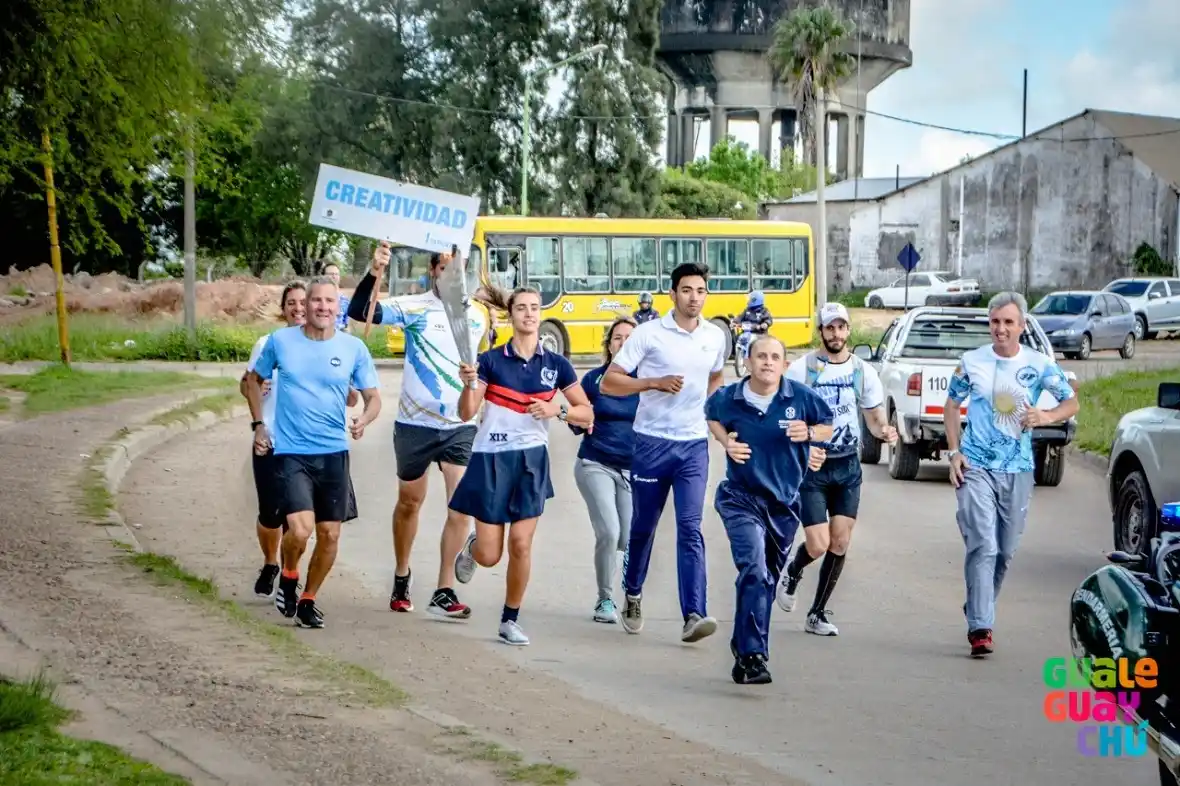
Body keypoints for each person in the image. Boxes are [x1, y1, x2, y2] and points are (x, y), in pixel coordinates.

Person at [347, 244, 492, 619]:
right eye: (444, 267)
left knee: (460, 506)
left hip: (459, 425)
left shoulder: (477, 315)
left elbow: (484, 367)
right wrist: (374, 270)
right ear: (432, 271)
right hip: (415, 424)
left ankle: (444, 590)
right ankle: (401, 575)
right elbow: (360, 312)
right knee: (410, 502)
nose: (451, 274)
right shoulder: (413, 307)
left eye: (457, 268)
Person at [448, 287, 594, 646]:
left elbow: (587, 413)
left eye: (534, 308)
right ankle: (473, 548)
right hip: (491, 459)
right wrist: (468, 385)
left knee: (521, 544)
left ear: (540, 314)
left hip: (531, 461)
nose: (529, 314)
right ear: (510, 315)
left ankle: (509, 620)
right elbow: (466, 413)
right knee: (490, 555)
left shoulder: (556, 365)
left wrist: (557, 410)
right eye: (522, 308)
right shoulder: (490, 361)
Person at [944, 292, 1078, 658]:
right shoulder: (971, 362)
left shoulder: (1039, 363)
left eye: (1008, 322)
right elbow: (952, 406)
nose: (1000, 329)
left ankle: (978, 603)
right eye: (995, 322)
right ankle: (980, 627)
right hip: (975, 466)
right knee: (983, 544)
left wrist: (1045, 417)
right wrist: (954, 453)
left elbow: (1071, 402)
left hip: (1017, 469)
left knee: (1004, 552)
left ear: (1022, 326)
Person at [600, 262, 728, 643]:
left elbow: (716, 375)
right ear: (672, 294)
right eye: (687, 290)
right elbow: (609, 383)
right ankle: (633, 593)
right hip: (651, 443)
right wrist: (654, 382)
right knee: (643, 526)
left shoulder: (715, 336)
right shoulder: (648, 334)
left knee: (690, 527)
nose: (694, 298)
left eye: (701, 291)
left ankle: (694, 613)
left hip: (693, 446)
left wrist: (706, 408)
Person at [246, 276, 382, 629]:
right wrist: (259, 424)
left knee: (330, 534)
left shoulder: (353, 348)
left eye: (329, 301)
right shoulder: (280, 342)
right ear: (305, 305)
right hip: (291, 453)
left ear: (338, 308)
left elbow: (373, 398)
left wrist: (364, 419)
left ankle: (308, 599)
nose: (322, 307)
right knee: (301, 530)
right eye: (316, 300)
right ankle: (289, 574)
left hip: (334, 454)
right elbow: (252, 381)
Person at [706, 335, 834, 684]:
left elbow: (827, 425)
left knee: (766, 581)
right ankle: (753, 655)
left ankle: (742, 647)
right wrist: (726, 441)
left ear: (784, 365)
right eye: (761, 356)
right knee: (754, 568)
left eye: (775, 357)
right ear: (747, 362)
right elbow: (712, 415)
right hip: (741, 498)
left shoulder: (800, 397)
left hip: (783, 505)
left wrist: (810, 433)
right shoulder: (730, 397)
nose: (767, 362)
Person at [776, 302, 898, 636]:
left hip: (847, 465)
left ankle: (816, 614)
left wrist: (885, 431)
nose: (836, 334)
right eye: (830, 328)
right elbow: (782, 417)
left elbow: (874, 418)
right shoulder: (801, 370)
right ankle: (793, 571)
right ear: (821, 332)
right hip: (812, 468)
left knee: (840, 542)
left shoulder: (862, 371)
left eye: (841, 327)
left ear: (848, 331)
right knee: (818, 544)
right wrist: (804, 446)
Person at [569, 317, 640, 623]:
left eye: (629, 338)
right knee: (609, 532)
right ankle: (605, 600)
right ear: (609, 345)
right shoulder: (593, 380)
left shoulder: (646, 382)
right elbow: (577, 418)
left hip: (631, 471)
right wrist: (577, 418)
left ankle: (625, 586)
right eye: (617, 338)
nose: (623, 343)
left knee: (627, 539)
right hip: (595, 463)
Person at [240, 280, 306, 598]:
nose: (298, 308)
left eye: (303, 302)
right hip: (269, 438)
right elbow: (246, 384)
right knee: (271, 513)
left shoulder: (322, 346)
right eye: (291, 303)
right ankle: (270, 563)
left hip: (305, 444)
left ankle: (289, 574)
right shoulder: (267, 343)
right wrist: (257, 421)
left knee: (297, 518)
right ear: (283, 309)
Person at [321, 262, 352, 332]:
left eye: (336, 274)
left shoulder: (345, 300)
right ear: (323, 276)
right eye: (331, 274)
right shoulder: (315, 298)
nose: (334, 276)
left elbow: (346, 325)